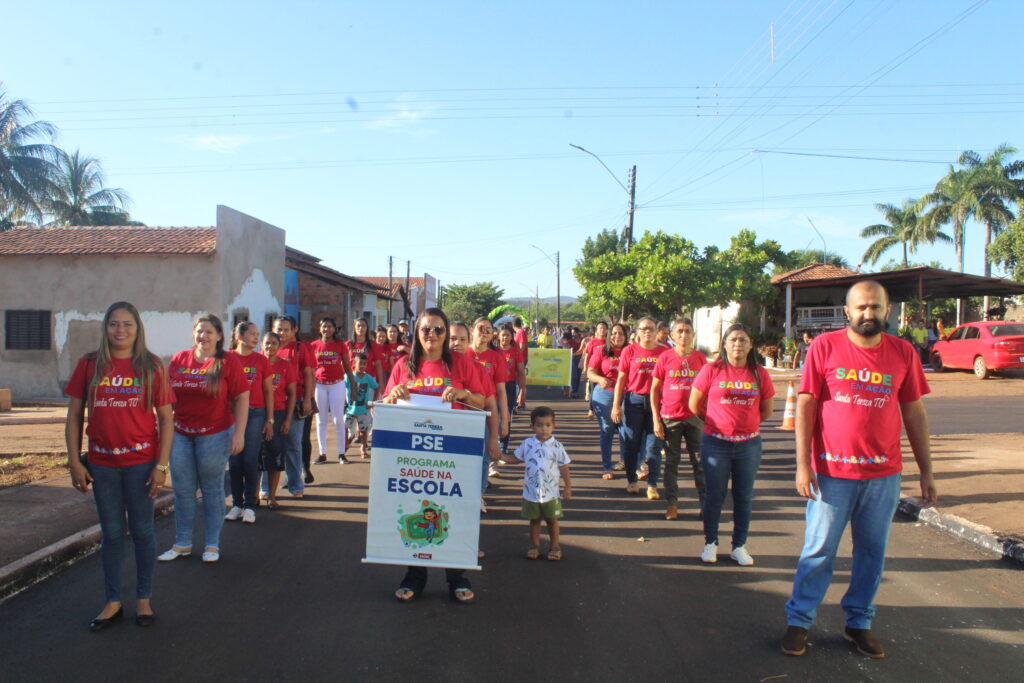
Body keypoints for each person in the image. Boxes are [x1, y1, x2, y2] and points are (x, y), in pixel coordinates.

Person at [782, 280, 936, 660]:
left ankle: (859, 623)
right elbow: (806, 405)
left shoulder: (903, 352)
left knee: (872, 553)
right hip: (831, 474)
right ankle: (799, 621)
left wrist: (926, 471)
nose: (869, 313)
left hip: (883, 477)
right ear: (847, 312)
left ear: (888, 311)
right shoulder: (824, 346)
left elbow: (914, 412)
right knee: (819, 550)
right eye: (861, 307)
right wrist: (803, 465)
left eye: (876, 307)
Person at [65, 301, 174, 630]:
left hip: (141, 465)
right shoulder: (89, 364)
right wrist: (74, 461)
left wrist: (161, 466)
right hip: (102, 465)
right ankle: (113, 602)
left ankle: (143, 600)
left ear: (137, 328)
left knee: (142, 531)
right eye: (114, 324)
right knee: (112, 534)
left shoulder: (151, 366)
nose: (120, 330)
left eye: (127, 324)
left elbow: (166, 419)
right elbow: (74, 415)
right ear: (105, 327)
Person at [382, 308, 486, 604]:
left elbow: (481, 401)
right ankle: (414, 576)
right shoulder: (404, 365)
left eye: (439, 329)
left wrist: (462, 394)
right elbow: (383, 406)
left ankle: (457, 577)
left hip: (454, 454)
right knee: (415, 511)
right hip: (413, 456)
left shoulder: (462, 364)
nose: (432, 334)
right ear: (416, 332)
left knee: (455, 511)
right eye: (426, 329)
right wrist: (392, 396)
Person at [161, 314, 249, 564]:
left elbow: (242, 396)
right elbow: (166, 396)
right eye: (200, 331)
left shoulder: (228, 361)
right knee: (183, 491)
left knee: (211, 489)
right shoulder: (180, 359)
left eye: (209, 331)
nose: (203, 336)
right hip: (181, 434)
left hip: (215, 435)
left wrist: (239, 433)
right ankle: (182, 543)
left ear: (219, 336)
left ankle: (212, 544)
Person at [689, 323, 774, 567]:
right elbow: (694, 405)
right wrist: (715, 423)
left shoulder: (759, 373)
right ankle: (711, 542)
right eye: (733, 339)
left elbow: (766, 410)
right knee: (714, 495)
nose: (738, 344)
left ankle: (739, 546)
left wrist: (745, 425)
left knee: (743, 497)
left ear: (751, 345)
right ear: (724, 344)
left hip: (748, 446)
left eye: (743, 339)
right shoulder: (711, 370)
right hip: (716, 444)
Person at [651, 317, 707, 521]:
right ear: (672, 336)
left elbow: (708, 389)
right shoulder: (665, 357)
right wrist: (656, 420)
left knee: (700, 463)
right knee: (671, 463)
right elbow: (654, 390)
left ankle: (705, 504)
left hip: (695, 419)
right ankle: (672, 504)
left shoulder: (701, 359)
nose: (684, 335)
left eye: (687, 331)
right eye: (679, 331)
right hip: (670, 419)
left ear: (693, 335)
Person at [226, 321, 275, 524]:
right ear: (239, 337)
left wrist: (270, 419)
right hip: (231, 415)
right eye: (252, 334)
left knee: (250, 460)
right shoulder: (227, 358)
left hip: (255, 414)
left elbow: (268, 391)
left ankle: (249, 505)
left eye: (257, 334)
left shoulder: (261, 360)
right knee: (234, 461)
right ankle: (236, 504)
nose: (256, 337)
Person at [611, 317, 665, 499]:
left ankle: (652, 484)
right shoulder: (629, 350)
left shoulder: (665, 352)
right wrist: (616, 406)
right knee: (632, 444)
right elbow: (621, 380)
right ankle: (632, 480)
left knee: (654, 447)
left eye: (651, 328)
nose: (647, 331)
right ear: (637, 332)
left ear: (656, 331)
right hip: (634, 401)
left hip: (657, 404)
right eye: (643, 329)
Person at [511, 406, 572, 561]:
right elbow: (516, 458)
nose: (544, 429)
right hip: (531, 492)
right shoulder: (527, 444)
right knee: (534, 520)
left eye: (547, 425)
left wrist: (567, 486)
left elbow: (564, 467)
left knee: (552, 520)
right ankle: (535, 546)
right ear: (532, 426)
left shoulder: (557, 446)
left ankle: (555, 547)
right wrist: (499, 457)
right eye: (539, 425)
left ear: (554, 426)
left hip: (551, 492)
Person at [273, 316, 315, 491]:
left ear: (293, 331)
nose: (282, 333)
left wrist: (308, 399)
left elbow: (308, 374)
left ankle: (296, 484)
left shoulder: (299, 348)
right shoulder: (270, 347)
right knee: (273, 445)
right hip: (274, 404)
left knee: (294, 444)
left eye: (286, 330)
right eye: (279, 329)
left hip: (296, 400)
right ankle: (269, 487)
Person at [467, 317, 509, 480]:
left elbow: (502, 391)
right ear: (472, 330)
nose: (484, 333)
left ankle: (481, 487)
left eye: (488, 330)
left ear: (492, 335)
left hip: (488, 408)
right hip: (464, 406)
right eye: (481, 328)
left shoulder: (497, 357)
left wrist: (504, 420)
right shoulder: (462, 353)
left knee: (486, 450)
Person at [259, 332, 297, 509]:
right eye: (267, 343)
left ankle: (272, 496)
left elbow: (292, 394)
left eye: (274, 343)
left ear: (279, 346)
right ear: (262, 344)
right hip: (257, 413)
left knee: (275, 455)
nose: (270, 346)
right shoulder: (256, 363)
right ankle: (253, 495)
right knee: (256, 456)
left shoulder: (285, 366)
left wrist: (288, 420)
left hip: (278, 414)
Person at [310, 317, 354, 465]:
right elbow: (310, 369)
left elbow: (347, 366)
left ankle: (341, 453)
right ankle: (322, 453)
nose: (326, 329)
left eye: (330, 326)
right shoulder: (313, 346)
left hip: (337, 385)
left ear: (334, 329)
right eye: (324, 326)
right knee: (321, 420)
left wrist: (353, 386)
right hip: (319, 385)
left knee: (338, 420)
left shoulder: (340, 345)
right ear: (319, 328)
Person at [587, 322, 628, 479]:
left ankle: (625, 461)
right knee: (607, 431)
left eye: (621, 333)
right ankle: (607, 467)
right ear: (609, 335)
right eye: (614, 333)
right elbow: (590, 372)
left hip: (627, 395)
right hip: (605, 395)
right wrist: (600, 379)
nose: (617, 336)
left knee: (626, 431)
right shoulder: (601, 351)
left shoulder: (630, 351)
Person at [496, 324, 526, 452]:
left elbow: (521, 372)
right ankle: (492, 443)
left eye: (508, 335)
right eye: (503, 335)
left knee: (506, 415)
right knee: (493, 415)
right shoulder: (493, 350)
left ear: (512, 336)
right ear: (498, 336)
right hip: (493, 386)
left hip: (509, 386)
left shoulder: (515, 351)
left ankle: (503, 447)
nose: (505, 338)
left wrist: (522, 390)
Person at [344, 353, 378, 460]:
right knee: (344, 427)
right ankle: (344, 445)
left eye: (365, 364)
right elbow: (341, 387)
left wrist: (372, 402)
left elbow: (377, 388)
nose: (362, 366)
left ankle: (363, 449)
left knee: (364, 431)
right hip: (350, 409)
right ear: (354, 363)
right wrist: (343, 401)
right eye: (360, 363)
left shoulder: (368, 378)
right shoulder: (349, 377)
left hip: (363, 409)